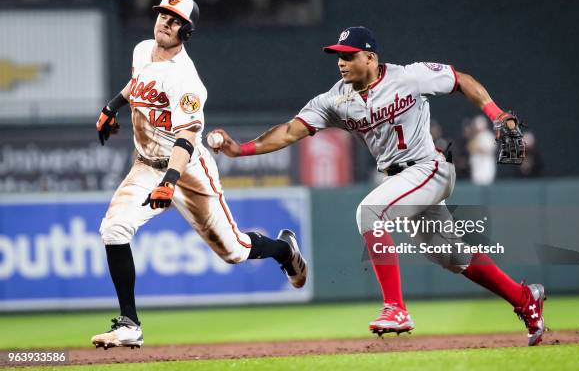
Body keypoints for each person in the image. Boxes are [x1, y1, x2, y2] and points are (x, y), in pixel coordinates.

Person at [210, 26, 546, 346]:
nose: (341, 61)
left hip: (429, 167)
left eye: (349, 55)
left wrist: (497, 114)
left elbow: (462, 80)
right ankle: (524, 298)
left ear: (370, 58)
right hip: (400, 179)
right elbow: (289, 131)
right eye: (338, 55)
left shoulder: (409, 76)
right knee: (452, 256)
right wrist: (241, 149)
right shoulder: (335, 101)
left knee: (370, 213)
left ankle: (396, 308)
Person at [91, 0, 307, 349]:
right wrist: (111, 107)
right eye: (163, 15)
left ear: (186, 32)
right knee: (114, 229)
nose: (165, 22)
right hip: (145, 165)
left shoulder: (186, 80)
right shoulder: (143, 49)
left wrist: (170, 182)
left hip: (187, 169)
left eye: (175, 20)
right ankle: (129, 324)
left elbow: (188, 135)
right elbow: (136, 83)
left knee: (234, 251)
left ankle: (284, 250)